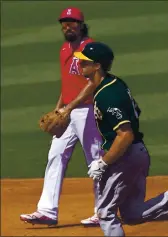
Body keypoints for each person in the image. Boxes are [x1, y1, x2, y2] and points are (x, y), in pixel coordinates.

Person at [74, 42, 168, 236]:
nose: (80, 63)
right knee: (132, 214)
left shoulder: (108, 94)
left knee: (105, 212)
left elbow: (125, 135)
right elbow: (135, 111)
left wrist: (103, 163)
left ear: (97, 66)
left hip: (126, 158)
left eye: (85, 61)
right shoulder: (112, 83)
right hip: (136, 154)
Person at [20, 7, 103, 226]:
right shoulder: (64, 49)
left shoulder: (90, 48)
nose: (67, 26)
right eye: (64, 23)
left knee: (95, 161)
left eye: (72, 22)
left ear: (81, 24)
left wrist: (70, 107)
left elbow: (92, 83)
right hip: (69, 113)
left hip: (87, 111)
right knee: (55, 155)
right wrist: (59, 109)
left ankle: (103, 211)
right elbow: (67, 85)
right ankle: (47, 210)